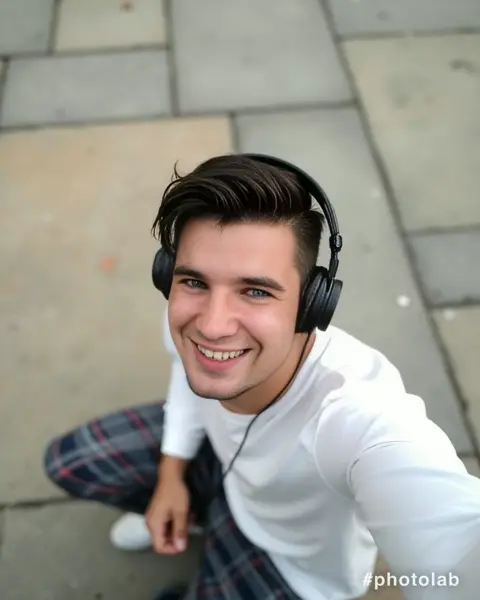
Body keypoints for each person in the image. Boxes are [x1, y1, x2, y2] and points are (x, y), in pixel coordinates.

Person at [43, 154, 480, 600]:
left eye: (255, 291)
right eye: (194, 282)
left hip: (288, 564)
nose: (212, 325)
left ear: (311, 304)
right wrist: (171, 476)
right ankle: (199, 516)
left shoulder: (356, 415)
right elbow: (184, 371)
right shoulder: (191, 319)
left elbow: (453, 547)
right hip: (222, 467)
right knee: (69, 462)